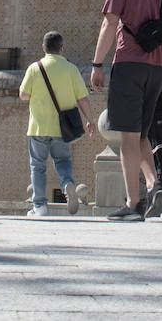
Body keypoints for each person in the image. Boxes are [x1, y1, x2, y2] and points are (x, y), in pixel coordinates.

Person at [91, 0, 162, 221]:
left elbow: (110, 23)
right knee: (141, 133)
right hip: (160, 66)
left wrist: (96, 63)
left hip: (130, 62)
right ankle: (155, 186)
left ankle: (132, 204)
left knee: (128, 136)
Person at [18, 30, 95, 217]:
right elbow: (83, 98)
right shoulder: (71, 69)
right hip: (63, 128)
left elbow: (23, 95)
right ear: (62, 48)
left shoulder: (34, 68)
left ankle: (40, 206)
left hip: (38, 127)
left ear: (44, 48)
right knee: (63, 160)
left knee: (38, 166)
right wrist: (90, 120)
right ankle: (67, 183)